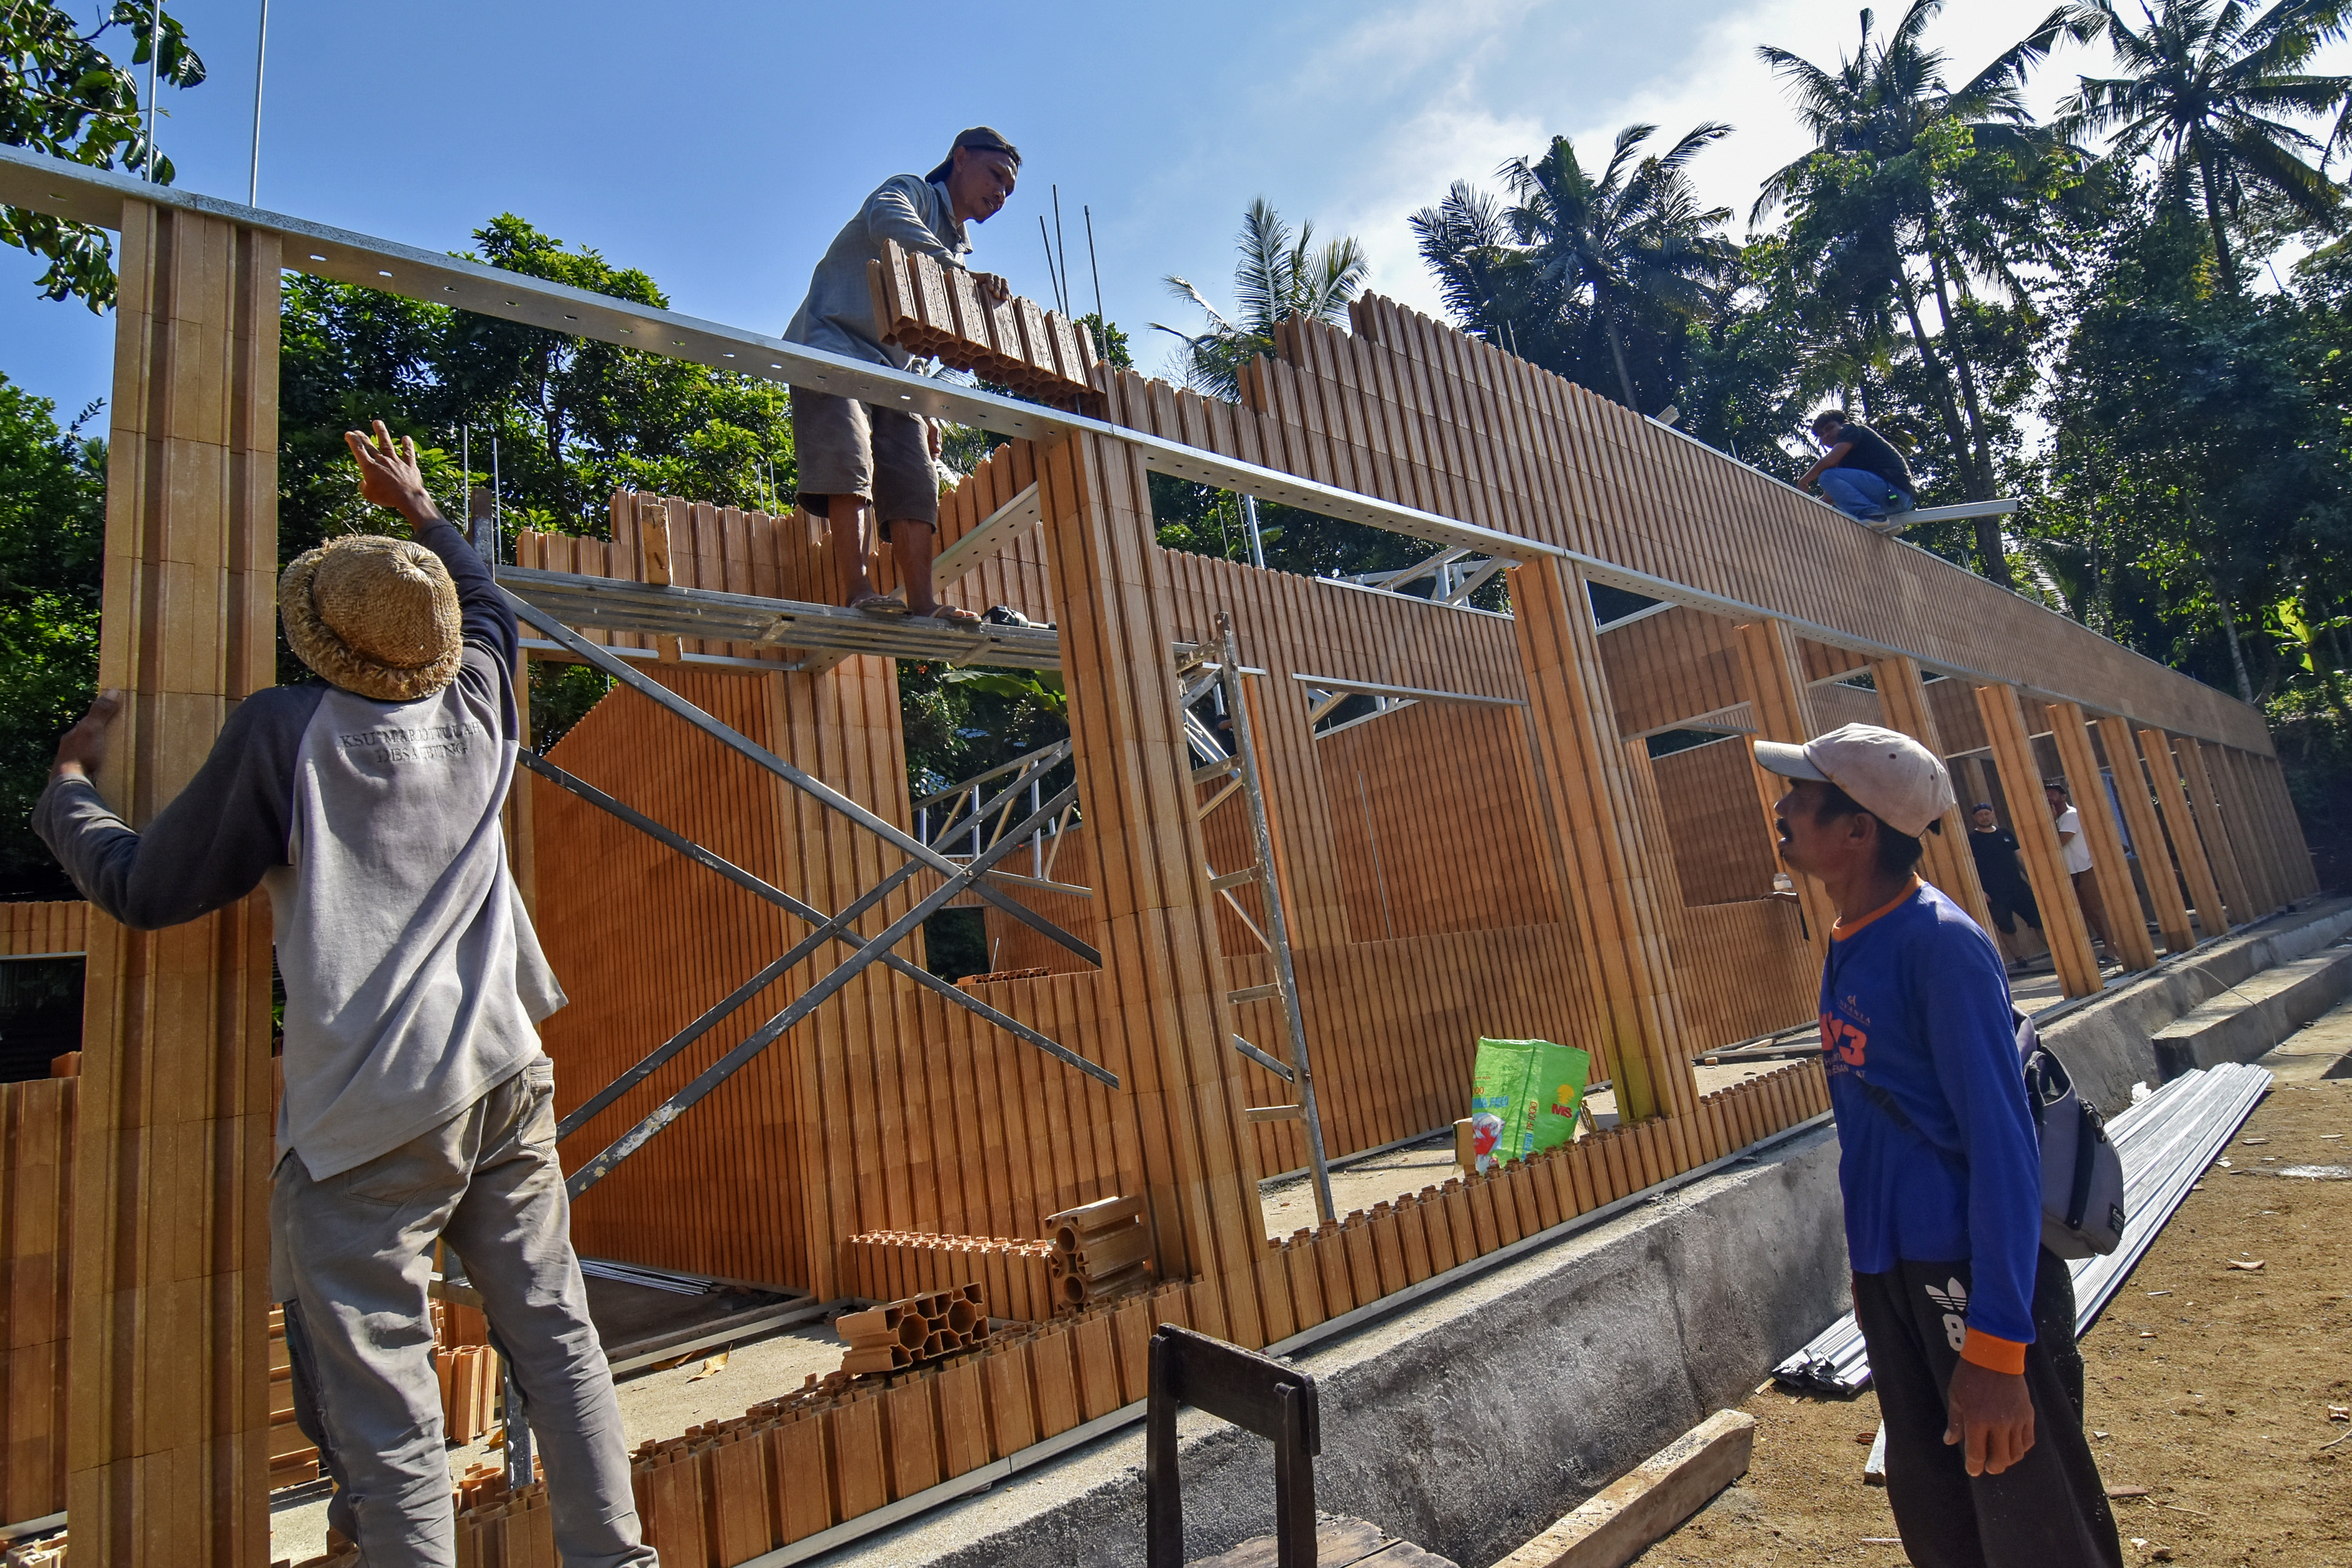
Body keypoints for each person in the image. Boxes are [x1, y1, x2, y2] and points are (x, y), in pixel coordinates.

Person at [35, 424, 654, 1568]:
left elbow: (143, 886)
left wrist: (70, 789)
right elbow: (482, 603)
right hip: (506, 1073)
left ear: (318, 639)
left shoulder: (285, 732)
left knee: (391, 1425)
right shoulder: (481, 699)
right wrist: (419, 505)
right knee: (558, 1340)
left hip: (372, 1117)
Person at [1756, 723, 2122, 1568]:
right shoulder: (1854, 934)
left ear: (1858, 831)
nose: (1783, 808)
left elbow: (2003, 1148)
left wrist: (1998, 1345)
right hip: (1897, 1274)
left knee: (2031, 1521)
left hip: (1971, 1277)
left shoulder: (1940, 945)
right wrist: (1873, 1276)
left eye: (1802, 798)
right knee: (1944, 1514)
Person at [783, 127, 1022, 628]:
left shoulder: (956, 249)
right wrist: (954, 273)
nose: (1000, 193)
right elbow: (885, 217)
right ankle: (859, 589)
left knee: (915, 473)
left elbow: (916, 331)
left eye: (1009, 189)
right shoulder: (910, 191)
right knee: (850, 458)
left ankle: (922, 600)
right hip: (832, 341)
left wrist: (928, 405)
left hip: (895, 369)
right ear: (960, 158)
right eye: (996, 175)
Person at [1964, 803, 2043, 973]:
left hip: (2017, 886)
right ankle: (2019, 959)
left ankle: (2055, 951)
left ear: (1993, 814)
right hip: (1994, 893)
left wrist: (2033, 880)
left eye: (1987, 814)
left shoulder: (2005, 834)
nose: (1984, 817)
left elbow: (2020, 859)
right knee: (2006, 926)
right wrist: (1981, 891)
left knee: (2039, 920)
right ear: (1974, 818)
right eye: (1980, 815)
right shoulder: (1972, 840)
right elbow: (1970, 868)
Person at [1799, 409, 1916, 523]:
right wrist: (1803, 512)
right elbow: (1828, 499)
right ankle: (1876, 520)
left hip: (1894, 490)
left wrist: (1803, 481)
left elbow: (1830, 460)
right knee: (1833, 487)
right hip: (1896, 501)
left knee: (1826, 476)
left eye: (1830, 428)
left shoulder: (1850, 428)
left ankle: (1872, 514)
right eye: (1821, 434)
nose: (1826, 435)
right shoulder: (1844, 462)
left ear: (1844, 423)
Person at [2046, 780, 2114, 958]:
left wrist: (2052, 821)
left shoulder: (2071, 815)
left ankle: (2111, 949)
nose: (2049, 797)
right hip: (2071, 871)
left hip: (2086, 867)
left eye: (2053, 794)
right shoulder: (2054, 819)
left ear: (2063, 796)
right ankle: (2110, 948)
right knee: (2088, 912)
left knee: (2099, 910)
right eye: (2046, 794)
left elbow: (2060, 842)